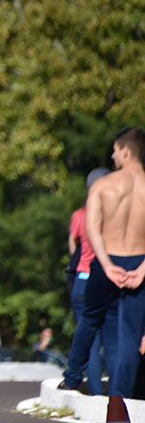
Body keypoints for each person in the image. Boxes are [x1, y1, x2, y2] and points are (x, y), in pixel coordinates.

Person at [60, 127, 145, 397]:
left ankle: (73, 377)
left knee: (89, 321)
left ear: (126, 151)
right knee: (130, 334)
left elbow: (92, 230)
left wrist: (107, 264)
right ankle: (122, 394)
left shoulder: (103, 186)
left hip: (107, 261)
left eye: (115, 150)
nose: (112, 155)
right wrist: (143, 270)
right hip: (139, 263)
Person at [66, 167, 112, 394]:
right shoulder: (115, 215)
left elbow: (73, 244)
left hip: (83, 277)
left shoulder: (80, 215)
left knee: (88, 336)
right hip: (110, 275)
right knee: (112, 335)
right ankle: (118, 392)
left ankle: (93, 390)